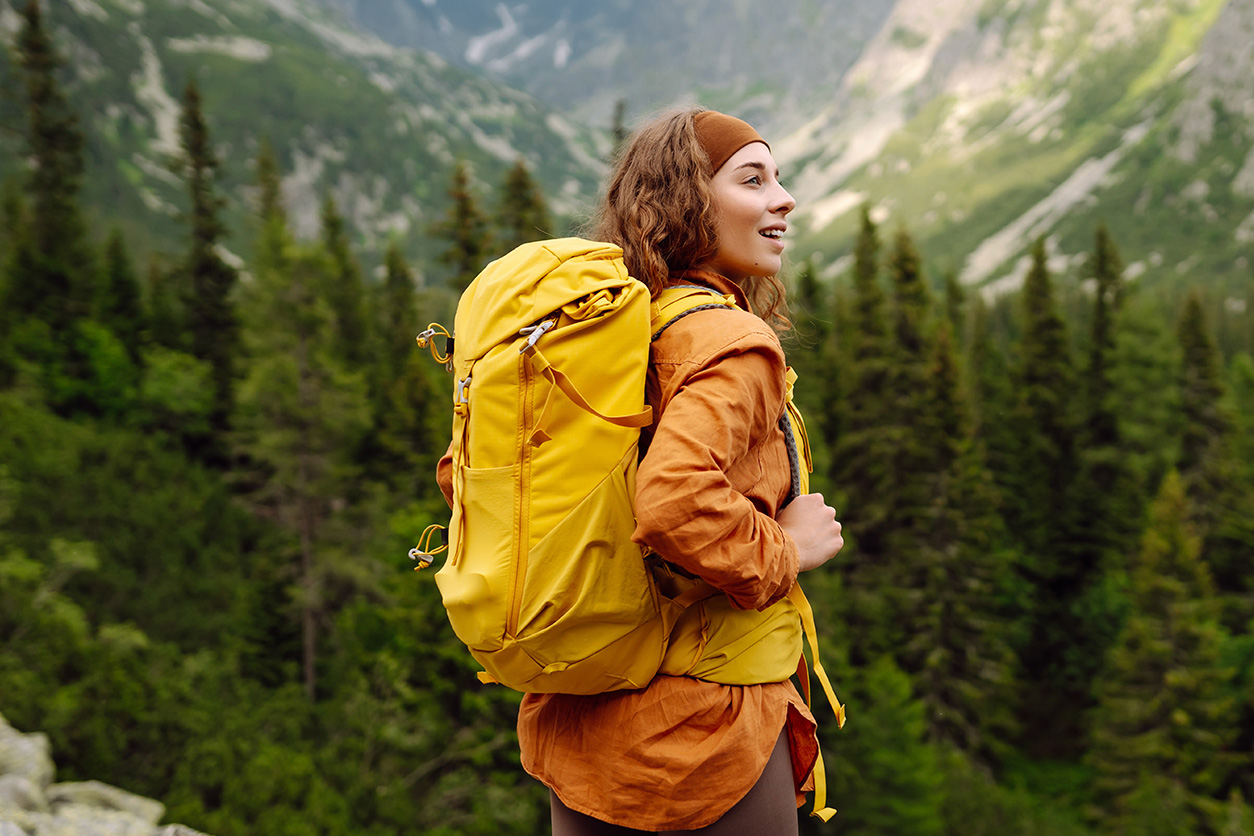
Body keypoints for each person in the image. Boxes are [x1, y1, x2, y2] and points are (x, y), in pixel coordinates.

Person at [512, 108, 846, 835]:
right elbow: (671, 501)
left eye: (779, 179)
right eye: (753, 179)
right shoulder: (728, 339)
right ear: (690, 201)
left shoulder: (604, 332)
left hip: (585, 714)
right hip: (705, 731)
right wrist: (788, 548)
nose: (783, 199)